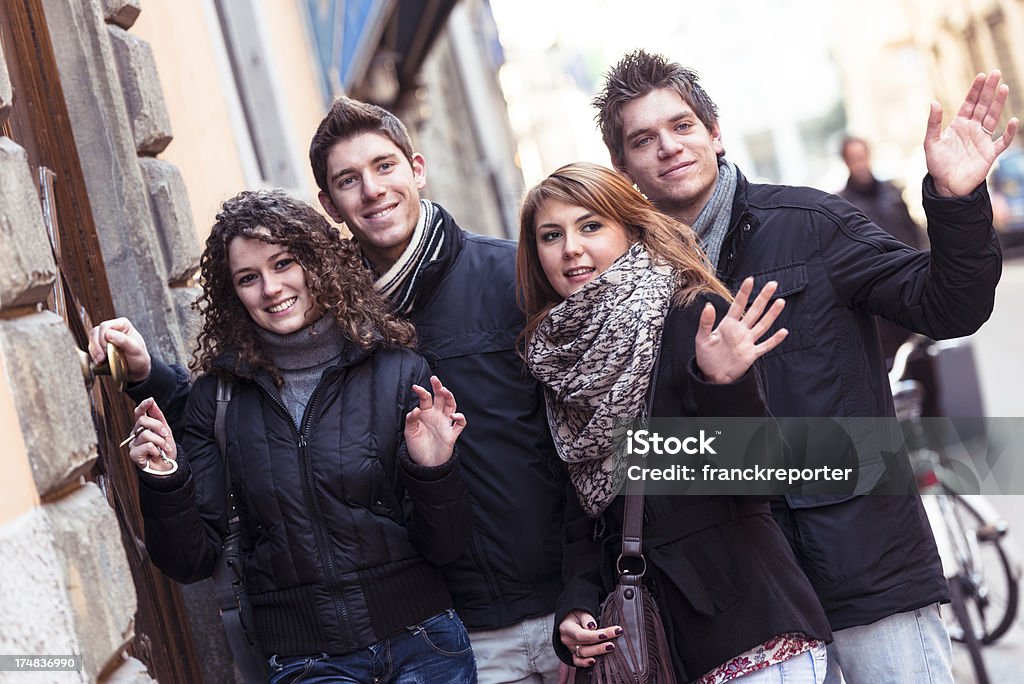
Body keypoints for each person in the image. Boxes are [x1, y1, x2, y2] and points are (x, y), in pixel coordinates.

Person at [95, 98, 567, 683]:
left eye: (385, 166)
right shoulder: (342, 316)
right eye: (349, 179)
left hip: (566, 605)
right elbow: (252, 419)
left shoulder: (514, 275)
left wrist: (607, 575)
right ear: (330, 205)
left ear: (416, 168)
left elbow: (605, 420)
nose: (372, 190)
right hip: (463, 626)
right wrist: (147, 380)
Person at [591, 50, 1017, 683]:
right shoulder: (630, 286)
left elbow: (946, 304)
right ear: (623, 169)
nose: (669, 148)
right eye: (643, 140)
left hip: (868, 573)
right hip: (748, 613)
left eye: (682, 126)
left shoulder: (810, 224)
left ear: (714, 132)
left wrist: (955, 202)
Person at [108, 190, 476, 682]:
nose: (271, 288)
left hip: (426, 645)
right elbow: (189, 561)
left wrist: (433, 472)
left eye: (284, 263)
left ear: (316, 262)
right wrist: (164, 480)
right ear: (231, 293)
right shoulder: (217, 399)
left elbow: (447, 546)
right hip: (307, 661)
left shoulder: (398, 370)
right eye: (248, 278)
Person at [517, 162, 833, 683]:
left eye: (590, 225)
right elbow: (582, 516)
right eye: (551, 235)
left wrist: (721, 386)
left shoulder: (692, 314)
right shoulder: (557, 364)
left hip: (743, 627)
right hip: (652, 646)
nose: (571, 247)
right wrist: (575, 607)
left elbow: (762, 476)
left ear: (631, 228)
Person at [839, 135, 927, 365]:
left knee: (925, 367)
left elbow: (916, 238)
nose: (860, 163)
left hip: (912, 295)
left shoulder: (893, 193)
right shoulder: (841, 206)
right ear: (846, 162)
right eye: (854, 158)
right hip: (877, 309)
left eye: (862, 156)